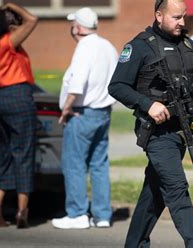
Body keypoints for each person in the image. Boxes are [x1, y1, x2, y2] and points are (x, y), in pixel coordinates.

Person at [108, 0, 193, 247]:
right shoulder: (139, 47)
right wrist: (147, 104)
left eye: (184, 17)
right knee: (177, 189)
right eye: (176, 17)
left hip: (181, 131)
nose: (182, 22)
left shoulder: (189, 45)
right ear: (159, 15)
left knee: (154, 193)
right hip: (157, 134)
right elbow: (116, 86)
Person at [51, 7, 118, 229]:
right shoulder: (107, 46)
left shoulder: (84, 47)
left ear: (78, 27)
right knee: (99, 163)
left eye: (73, 25)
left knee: (74, 164)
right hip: (103, 112)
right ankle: (102, 215)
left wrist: (65, 109)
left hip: (82, 112)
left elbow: (77, 84)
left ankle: (77, 213)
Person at [0, 2, 38, 228]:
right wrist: (11, 5)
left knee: (4, 152)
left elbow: (19, 26)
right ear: (5, 26)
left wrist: (7, 17)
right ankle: (21, 211)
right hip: (17, 96)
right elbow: (32, 20)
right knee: (23, 153)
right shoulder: (9, 43)